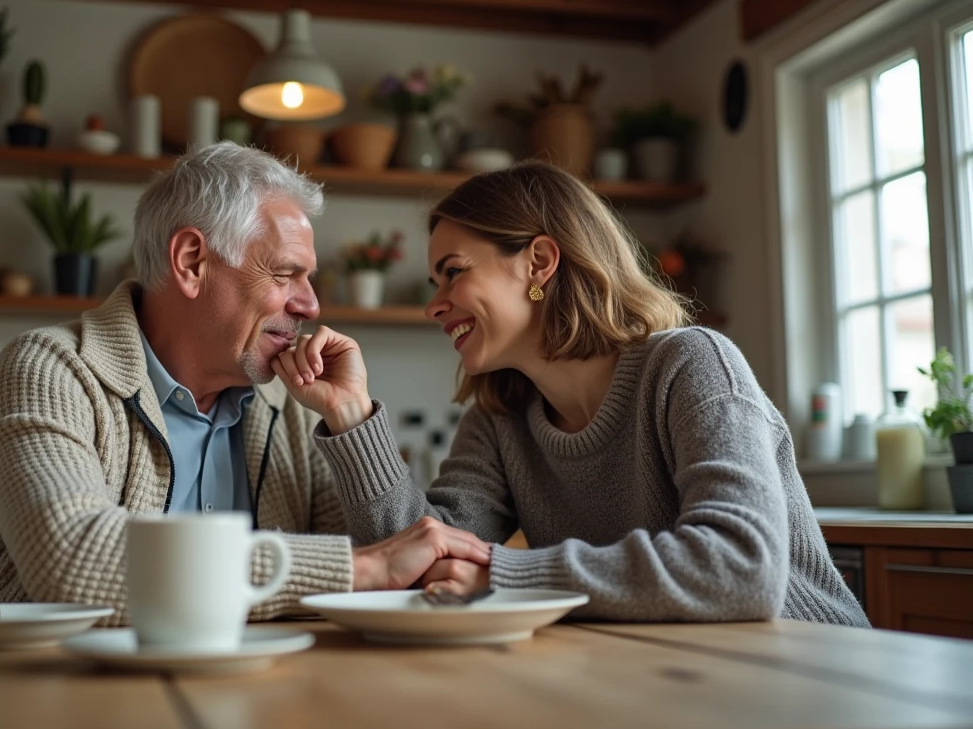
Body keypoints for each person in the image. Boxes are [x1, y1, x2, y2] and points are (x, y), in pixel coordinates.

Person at [270, 161, 869, 626]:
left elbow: (740, 568)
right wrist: (351, 418)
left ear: (539, 262)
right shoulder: (503, 415)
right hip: (670, 675)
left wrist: (508, 574)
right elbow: (422, 555)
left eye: (453, 271)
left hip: (816, 673)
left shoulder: (692, 365)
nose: (434, 304)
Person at [0, 143, 490, 621]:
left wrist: (349, 416)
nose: (311, 305)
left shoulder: (294, 400)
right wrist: (359, 570)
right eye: (285, 275)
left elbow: (403, 566)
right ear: (192, 262)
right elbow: (75, 560)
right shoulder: (49, 369)